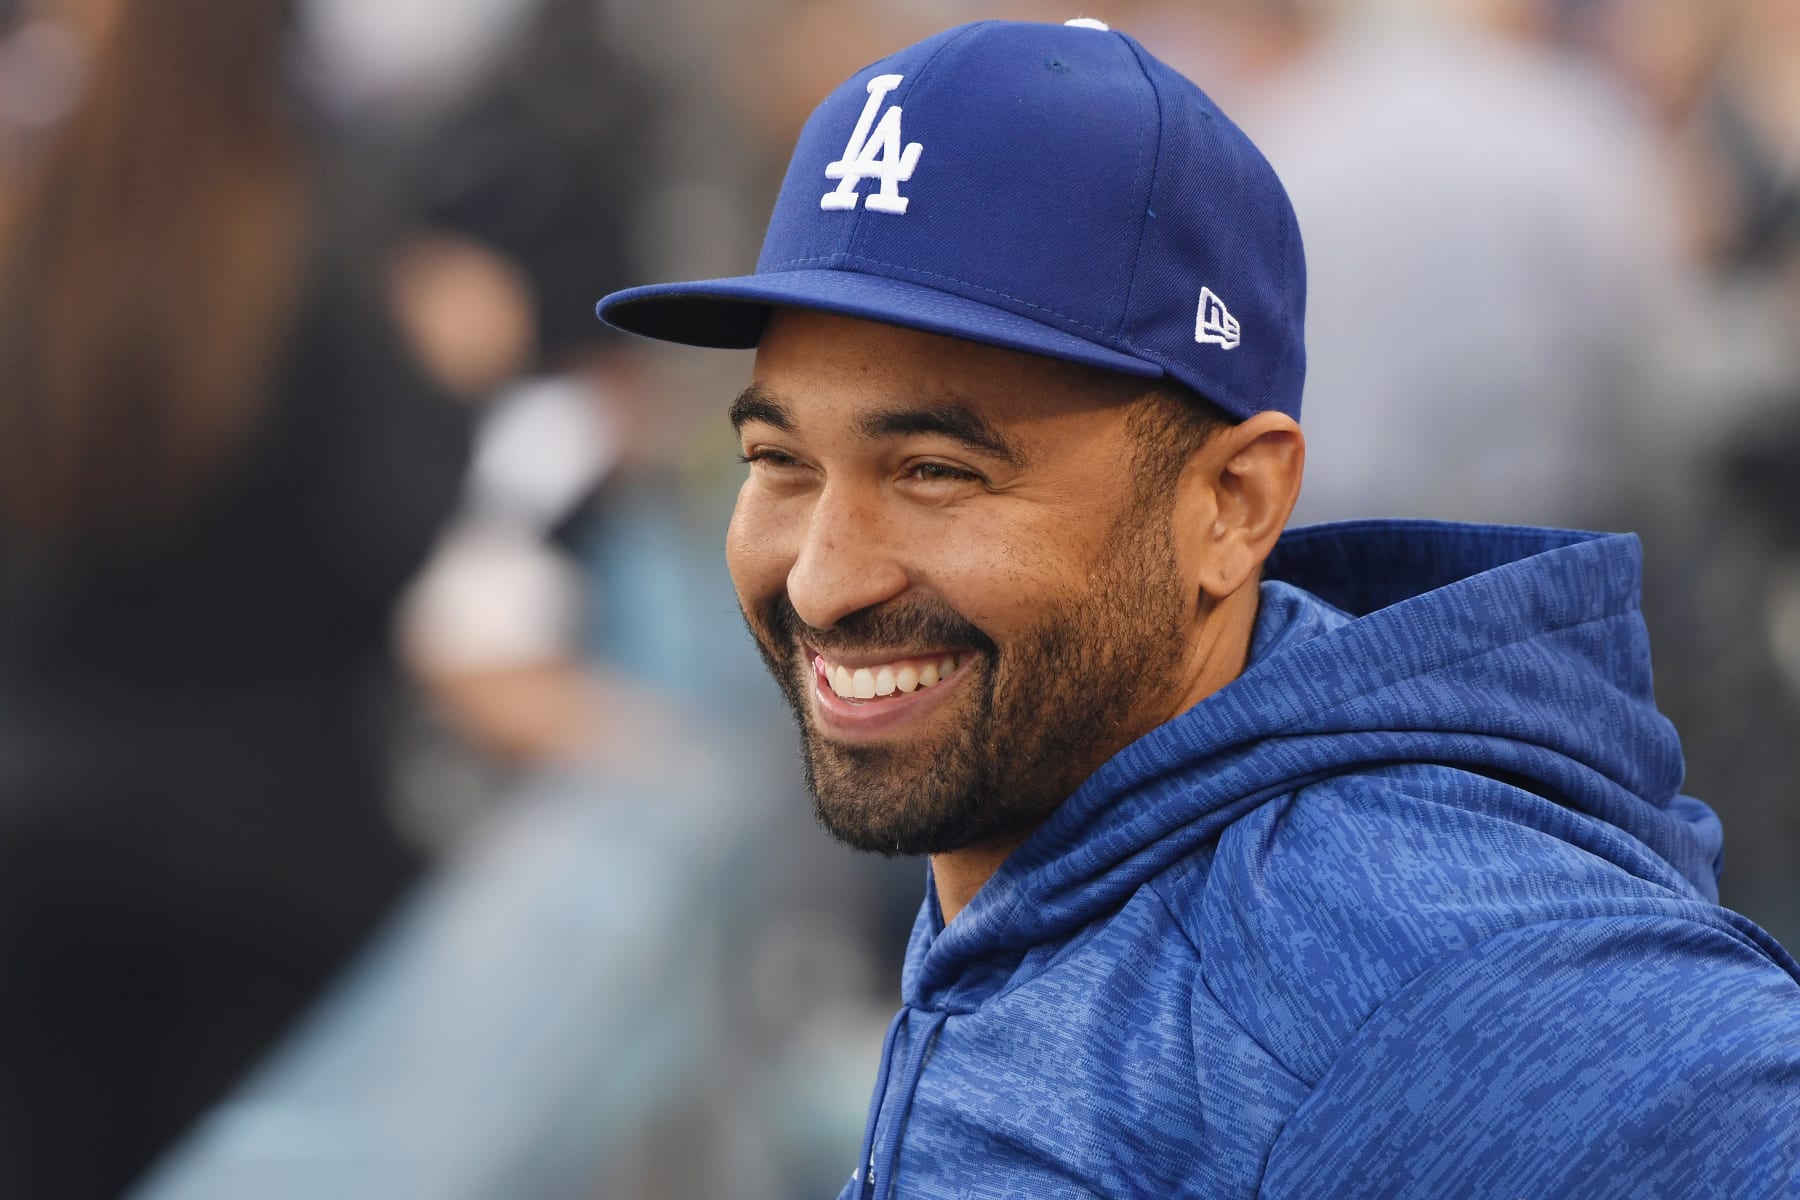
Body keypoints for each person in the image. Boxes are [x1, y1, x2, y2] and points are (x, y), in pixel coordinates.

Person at [596, 18, 1800, 1199]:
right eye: (780, 462)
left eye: (936, 473)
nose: (820, 576)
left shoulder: (1394, 971)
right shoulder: (1062, 827)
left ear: (1232, 503)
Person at [0, 2, 471, 1196]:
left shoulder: (30, 237)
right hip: (268, 854)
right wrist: (448, 375)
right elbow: (386, 528)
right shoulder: (305, 244)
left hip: (40, 843)